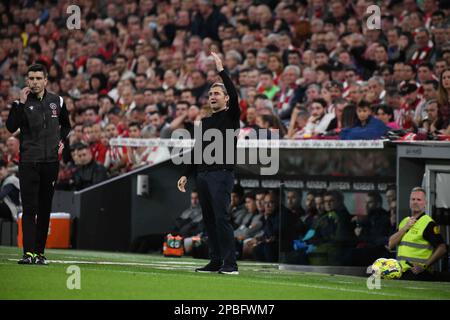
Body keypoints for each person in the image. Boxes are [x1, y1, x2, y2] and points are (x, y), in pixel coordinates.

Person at [177, 52, 240, 275]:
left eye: (217, 93)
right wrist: (186, 173)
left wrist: (222, 70)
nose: (213, 96)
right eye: (211, 93)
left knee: (222, 218)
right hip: (203, 175)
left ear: (226, 99)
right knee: (209, 220)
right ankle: (215, 261)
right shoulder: (205, 122)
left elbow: (233, 91)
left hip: (221, 174)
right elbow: (197, 149)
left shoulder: (232, 116)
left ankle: (230, 264)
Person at [6, 63, 71, 265]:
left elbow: (66, 125)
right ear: (27, 81)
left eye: (37, 78)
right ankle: (28, 253)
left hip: (50, 163)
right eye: (31, 78)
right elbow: (10, 127)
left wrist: (60, 141)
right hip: (28, 162)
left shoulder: (57, 101)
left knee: (44, 209)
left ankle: (40, 253)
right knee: (30, 208)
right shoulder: (22, 103)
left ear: (45, 80)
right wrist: (20, 102)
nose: (34, 82)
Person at [388, 187, 447, 281]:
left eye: (419, 200)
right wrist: (405, 228)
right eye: (413, 199)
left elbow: (442, 248)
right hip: (401, 272)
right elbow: (391, 244)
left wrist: (425, 266)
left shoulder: (428, 223)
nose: (415, 202)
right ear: (409, 202)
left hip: (418, 274)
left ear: (425, 203)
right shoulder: (405, 221)